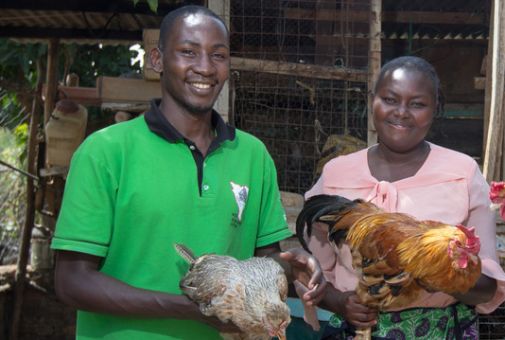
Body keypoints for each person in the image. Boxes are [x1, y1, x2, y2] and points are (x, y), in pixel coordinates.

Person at [51, 5, 326, 339]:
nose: (205, 68)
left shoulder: (253, 155)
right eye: (188, 52)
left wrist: (290, 268)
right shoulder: (105, 151)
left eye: (218, 55)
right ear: (156, 60)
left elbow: (263, 261)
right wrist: (187, 308)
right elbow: (71, 282)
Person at [299, 56, 505, 339]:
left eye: (417, 104)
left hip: (439, 331)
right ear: (373, 100)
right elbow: (314, 271)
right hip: (357, 331)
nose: (401, 112)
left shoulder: (463, 172)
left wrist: (438, 273)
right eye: (390, 99)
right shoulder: (336, 173)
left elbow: (488, 286)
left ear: (435, 109)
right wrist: (339, 302)